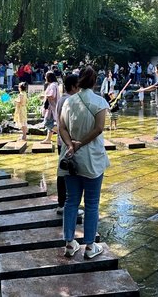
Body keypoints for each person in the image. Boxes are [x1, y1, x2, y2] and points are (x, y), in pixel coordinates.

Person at [58, 67, 109, 260]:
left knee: (71, 201)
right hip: (92, 158)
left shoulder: (68, 101)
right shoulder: (99, 102)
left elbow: (62, 127)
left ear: (79, 81)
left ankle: (69, 244)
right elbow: (99, 129)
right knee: (92, 203)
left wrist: (71, 145)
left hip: (70, 157)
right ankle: (90, 246)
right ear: (94, 82)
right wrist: (81, 144)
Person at [55, 74, 80, 215]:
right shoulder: (69, 100)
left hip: (61, 140)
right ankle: (67, 204)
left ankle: (62, 203)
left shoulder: (61, 99)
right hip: (68, 142)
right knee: (69, 173)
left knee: (62, 171)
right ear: (73, 86)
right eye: (78, 86)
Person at [40, 71, 59, 144]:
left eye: (46, 76)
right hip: (51, 107)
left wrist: (44, 96)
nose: (45, 77)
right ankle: (48, 139)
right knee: (50, 123)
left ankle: (61, 133)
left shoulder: (52, 85)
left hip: (51, 108)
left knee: (47, 123)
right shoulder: (54, 84)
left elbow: (52, 95)